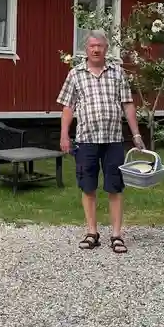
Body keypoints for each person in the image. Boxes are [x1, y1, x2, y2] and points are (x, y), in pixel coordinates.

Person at [56, 29, 144, 254]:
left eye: (100, 46)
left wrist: (136, 134)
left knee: (115, 187)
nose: (96, 49)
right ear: (86, 49)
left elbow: (127, 104)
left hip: (113, 139)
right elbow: (68, 107)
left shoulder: (117, 72)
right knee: (88, 187)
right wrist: (64, 135)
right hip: (86, 140)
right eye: (92, 46)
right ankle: (92, 232)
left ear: (106, 49)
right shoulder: (75, 74)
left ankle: (116, 235)